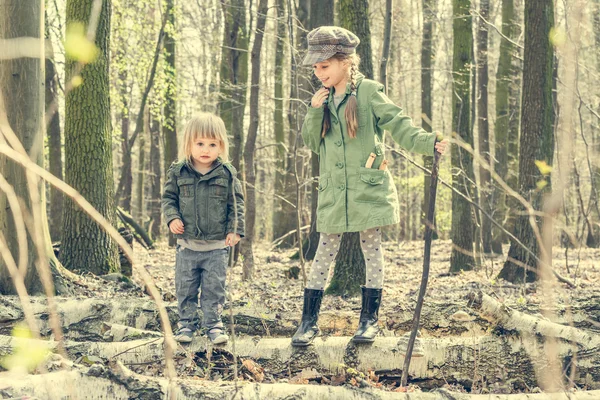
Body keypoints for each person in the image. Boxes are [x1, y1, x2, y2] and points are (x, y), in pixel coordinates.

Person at [292, 26, 449, 347]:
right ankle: (308, 322)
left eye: (324, 66)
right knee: (323, 254)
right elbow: (313, 144)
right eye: (315, 68)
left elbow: (399, 124)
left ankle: (368, 321)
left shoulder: (368, 92)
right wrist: (313, 110)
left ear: (345, 62)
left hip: (367, 188)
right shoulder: (321, 99)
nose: (318, 73)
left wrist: (429, 142)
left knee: (372, 251)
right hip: (334, 193)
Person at [162, 112, 245, 344]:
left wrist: (235, 229)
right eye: (199, 143)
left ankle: (214, 325)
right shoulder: (179, 172)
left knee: (214, 287)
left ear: (221, 146)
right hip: (187, 246)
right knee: (185, 287)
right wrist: (172, 218)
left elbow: (236, 204)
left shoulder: (226, 174)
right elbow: (168, 199)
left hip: (217, 247)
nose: (205, 149)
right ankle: (186, 325)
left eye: (212, 144)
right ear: (189, 144)